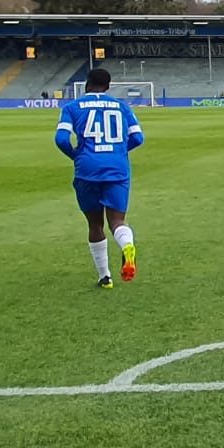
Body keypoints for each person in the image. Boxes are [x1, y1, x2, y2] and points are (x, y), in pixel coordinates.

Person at [54, 68, 143, 289]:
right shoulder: (122, 106)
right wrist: (119, 151)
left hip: (87, 169)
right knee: (117, 221)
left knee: (95, 224)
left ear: (87, 84)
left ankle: (105, 277)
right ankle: (127, 245)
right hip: (117, 167)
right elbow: (138, 138)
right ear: (108, 85)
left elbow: (61, 139)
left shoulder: (72, 107)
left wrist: (76, 155)